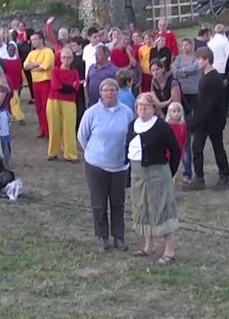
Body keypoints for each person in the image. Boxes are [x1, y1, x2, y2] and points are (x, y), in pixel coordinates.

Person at [77, 78, 133, 251]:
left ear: (117, 92)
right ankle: (102, 237)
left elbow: (131, 135)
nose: (109, 93)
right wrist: (93, 152)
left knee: (118, 203)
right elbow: (82, 136)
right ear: (100, 93)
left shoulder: (127, 112)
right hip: (96, 165)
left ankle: (119, 237)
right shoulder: (91, 113)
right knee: (99, 203)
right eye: (105, 90)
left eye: (112, 90)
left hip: (119, 166)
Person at [127, 93, 183, 265]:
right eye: (139, 105)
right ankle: (148, 246)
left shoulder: (161, 127)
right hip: (138, 174)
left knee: (162, 210)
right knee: (143, 208)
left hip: (158, 174)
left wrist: (169, 172)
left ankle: (169, 251)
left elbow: (175, 151)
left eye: (146, 105)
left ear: (154, 108)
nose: (142, 108)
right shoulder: (132, 125)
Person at [186, 48, 229, 191]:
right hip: (204, 120)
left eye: (199, 59)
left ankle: (224, 176)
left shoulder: (213, 79)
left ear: (207, 60)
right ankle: (199, 178)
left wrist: (194, 123)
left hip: (212, 120)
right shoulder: (206, 76)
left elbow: (209, 104)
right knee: (197, 148)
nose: (197, 62)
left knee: (217, 148)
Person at [48, 47, 82, 162]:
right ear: (60, 58)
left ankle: (71, 154)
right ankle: (53, 152)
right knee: (54, 126)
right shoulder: (55, 71)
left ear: (72, 59)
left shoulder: (74, 72)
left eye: (68, 57)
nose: (66, 60)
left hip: (69, 101)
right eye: (64, 57)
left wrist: (65, 87)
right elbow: (55, 85)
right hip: (54, 100)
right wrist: (69, 87)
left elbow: (76, 87)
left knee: (69, 128)